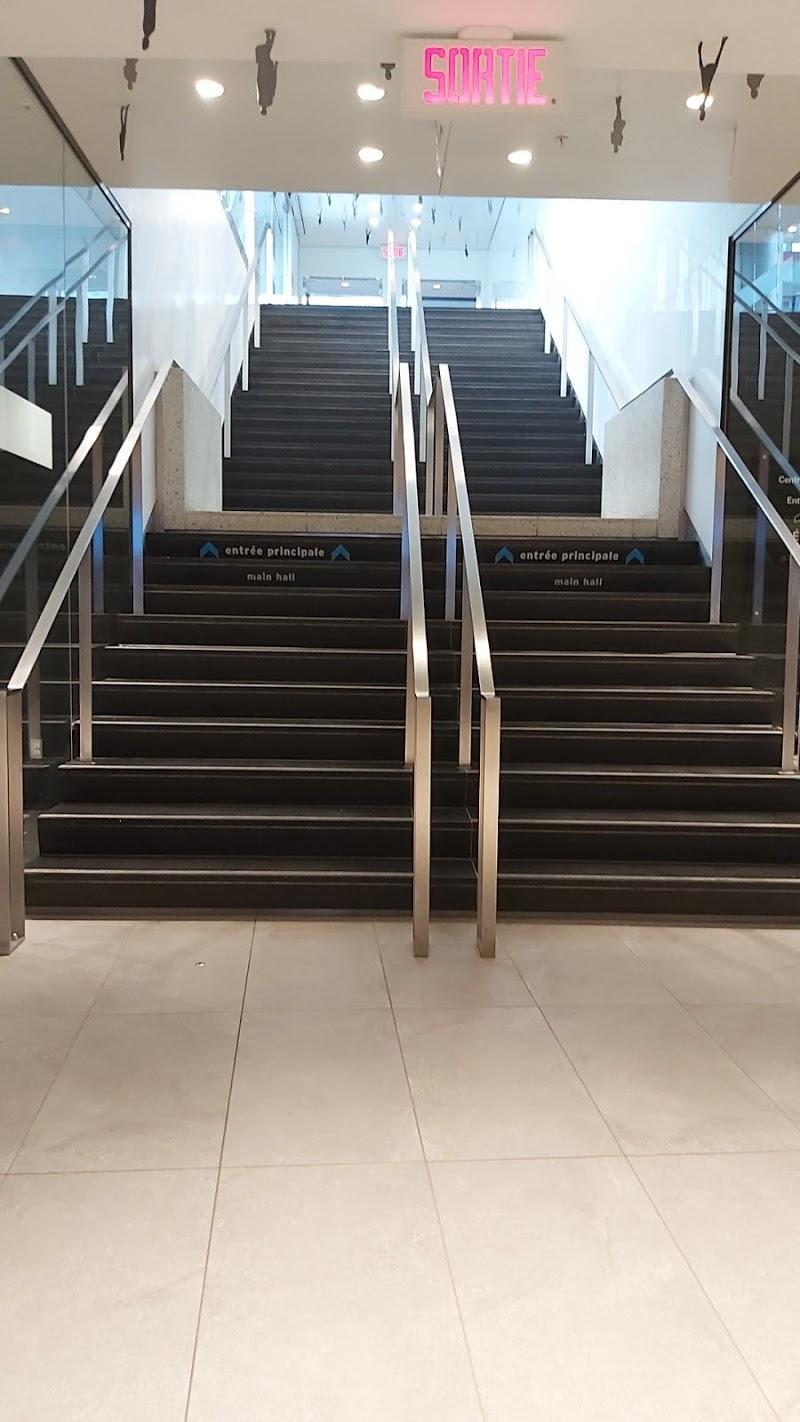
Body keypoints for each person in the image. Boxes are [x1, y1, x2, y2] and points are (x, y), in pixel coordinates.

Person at [256, 29, 278, 115]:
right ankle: (270, 37)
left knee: (265, 54)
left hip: (268, 74)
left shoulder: (268, 101)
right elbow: (260, 84)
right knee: (265, 53)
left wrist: (275, 69)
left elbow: (273, 85)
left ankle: (270, 37)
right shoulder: (262, 101)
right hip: (265, 74)